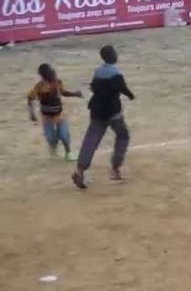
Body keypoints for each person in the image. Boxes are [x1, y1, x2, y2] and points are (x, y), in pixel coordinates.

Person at [71, 45, 135, 190]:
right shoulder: (116, 73)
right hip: (112, 111)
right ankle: (115, 168)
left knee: (91, 140)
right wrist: (131, 96)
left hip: (96, 110)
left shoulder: (98, 72)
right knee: (123, 136)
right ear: (114, 56)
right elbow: (123, 89)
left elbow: (93, 87)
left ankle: (80, 170)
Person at [27, 63, 82, 161]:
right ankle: (64, 151)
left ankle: (68, 153)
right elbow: (30, 98)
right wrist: (32, 113)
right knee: (54, 139)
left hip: (57, 115)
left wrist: (32, 114)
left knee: (62, 136)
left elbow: (63, 92)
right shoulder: (41, 87)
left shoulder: (51, 84)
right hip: (48, 117)